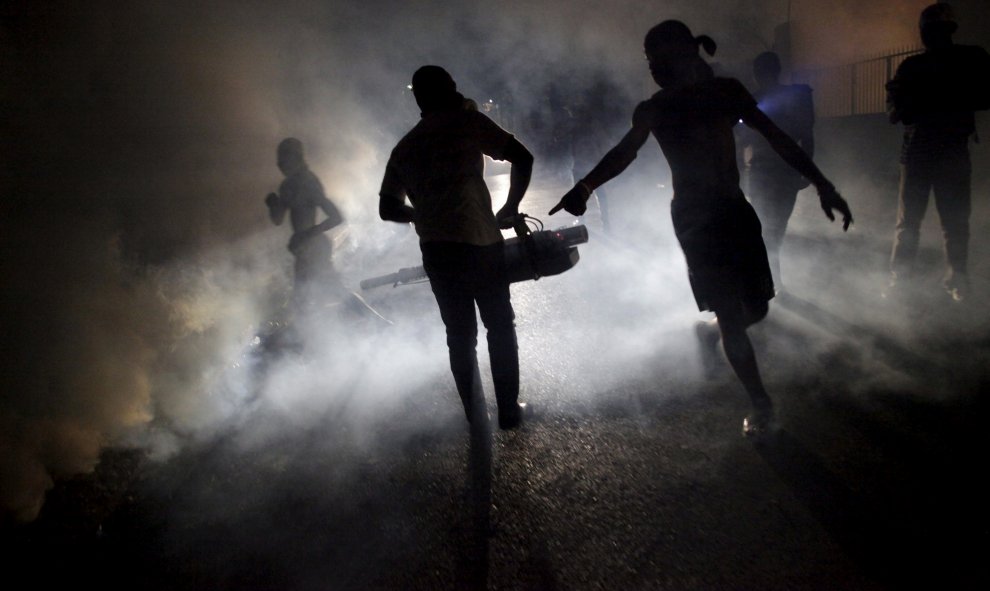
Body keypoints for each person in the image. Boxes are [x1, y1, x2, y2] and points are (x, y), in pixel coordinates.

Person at [550, 20, 852, 437]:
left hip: (734, 209)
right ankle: (761, 404)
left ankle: (709, 332)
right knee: (731, 314)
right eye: (650, 61)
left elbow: (778, 136)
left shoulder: (726, 93)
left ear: (684, 56)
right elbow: (624, 152)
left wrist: (823, 185)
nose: (653, 69)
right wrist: (585, 186)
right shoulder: (654, 108)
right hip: (694, 219)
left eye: (657, 59)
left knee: (758, 307)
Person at [378, 65, 534, 430]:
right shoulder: (469, 123)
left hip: (437, 249)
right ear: (449, 89)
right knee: (499, 325)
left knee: (459, 335)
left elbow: (387, 208)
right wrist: (509, 207)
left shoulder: (405, 147)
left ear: (418, 99)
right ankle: (508, 411)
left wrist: (418, 214)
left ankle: (475, 415)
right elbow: (522, 157)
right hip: (481, 242)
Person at [885, 2, 990, 303]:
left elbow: (895, 113)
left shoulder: (913, 67)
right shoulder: (970, 59)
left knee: (911, 224)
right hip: (948, 152)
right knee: (953, 223)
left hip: (922, 152)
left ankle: (902, 282)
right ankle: (955, 281)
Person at [737, 51, 816, 292]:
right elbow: (807, 137)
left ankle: (768, 281)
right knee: (774, 228)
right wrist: (807, 171)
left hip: (764, 172)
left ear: (757, 73)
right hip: (784, 172)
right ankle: (770, 281)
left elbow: (741, 141)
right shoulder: (797, 97)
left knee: (766, 228)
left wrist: (741, 174)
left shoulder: (753, 100)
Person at [266, 138, 344, 313]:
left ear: (296, 157)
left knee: (322, 294)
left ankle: (363, 323)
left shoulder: (309, 182)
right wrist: (273, 204)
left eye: (284, 159)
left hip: (314, 248)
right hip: (304, 249)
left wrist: (310, 234)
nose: (281, 165)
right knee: (306, 299)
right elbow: (278, 219)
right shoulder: (287, 186)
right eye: (280, 161)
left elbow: (336, 217)